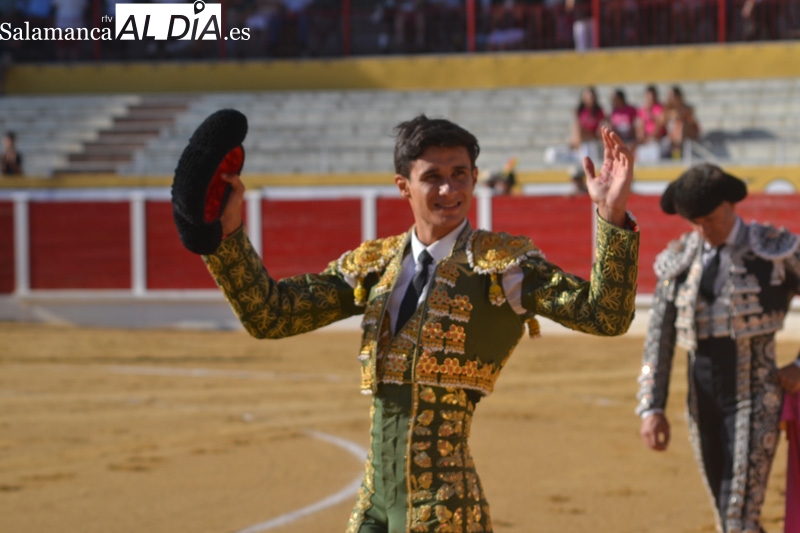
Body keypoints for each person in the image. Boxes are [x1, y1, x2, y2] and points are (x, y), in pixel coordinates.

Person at [196, 114, 639, 532]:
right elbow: (271, 315)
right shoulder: (374, 265)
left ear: (475, 178)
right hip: (373, 501)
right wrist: (229, 233)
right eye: (433, 177)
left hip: (443, 507)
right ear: (403, 186)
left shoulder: (503, 266)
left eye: (460, 174)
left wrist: (612, 217)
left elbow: (605, 315)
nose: (449, 189)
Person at [636, 163, 800, 533]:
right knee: (729, 518)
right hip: (701, 403)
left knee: (738, 518)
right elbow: (658, 340)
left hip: (756, 395)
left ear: (731, 205)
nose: (703, 231)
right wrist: (652, 406)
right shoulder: (681, 258)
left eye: (709, 219)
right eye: (695, 223)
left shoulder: (772, 249)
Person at [570, 86, 605, 193]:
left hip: (594, 143)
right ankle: (579, 182)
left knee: (589, 150)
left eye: (592, 95)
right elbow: (577, 131)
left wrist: (587, 134)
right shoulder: (580, 112)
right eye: (589, 95)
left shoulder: (599, 111)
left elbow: (599, 132)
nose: (591, 98)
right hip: (583, 143)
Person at [664, 85, 700, 159]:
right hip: (675, 135)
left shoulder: (685, 108)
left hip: (688, 132)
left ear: (678, 97)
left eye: (672, 96)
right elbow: (662, 119)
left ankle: (677, 154)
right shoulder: (668, 109)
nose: (670, 98)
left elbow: (689, 118)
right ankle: (676, 153)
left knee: (681, 125)